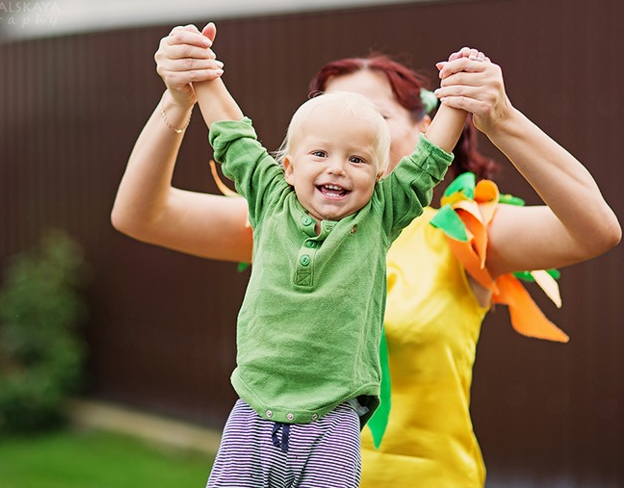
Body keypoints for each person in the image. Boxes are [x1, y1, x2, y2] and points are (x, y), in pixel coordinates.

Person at [111, 23, 621, 487]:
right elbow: (140, 214)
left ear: (426, 130)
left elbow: (595, 230)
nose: (342, 137)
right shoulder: (280, 223)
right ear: (291, 160)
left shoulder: (462, 232)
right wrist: (180, 97)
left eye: (369, 118)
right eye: (326, 124)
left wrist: (500, 119)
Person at [190, 38, 477, 486]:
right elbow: (233, 138)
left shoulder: (381, 213)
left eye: (357, 159)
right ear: (287, 166)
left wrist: (458, 98)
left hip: (334, 420)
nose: (337, 168)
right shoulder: (269, 198)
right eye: (320, 154)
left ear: (380, 176)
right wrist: (204, 74)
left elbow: (427, 163)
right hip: (253, 410)